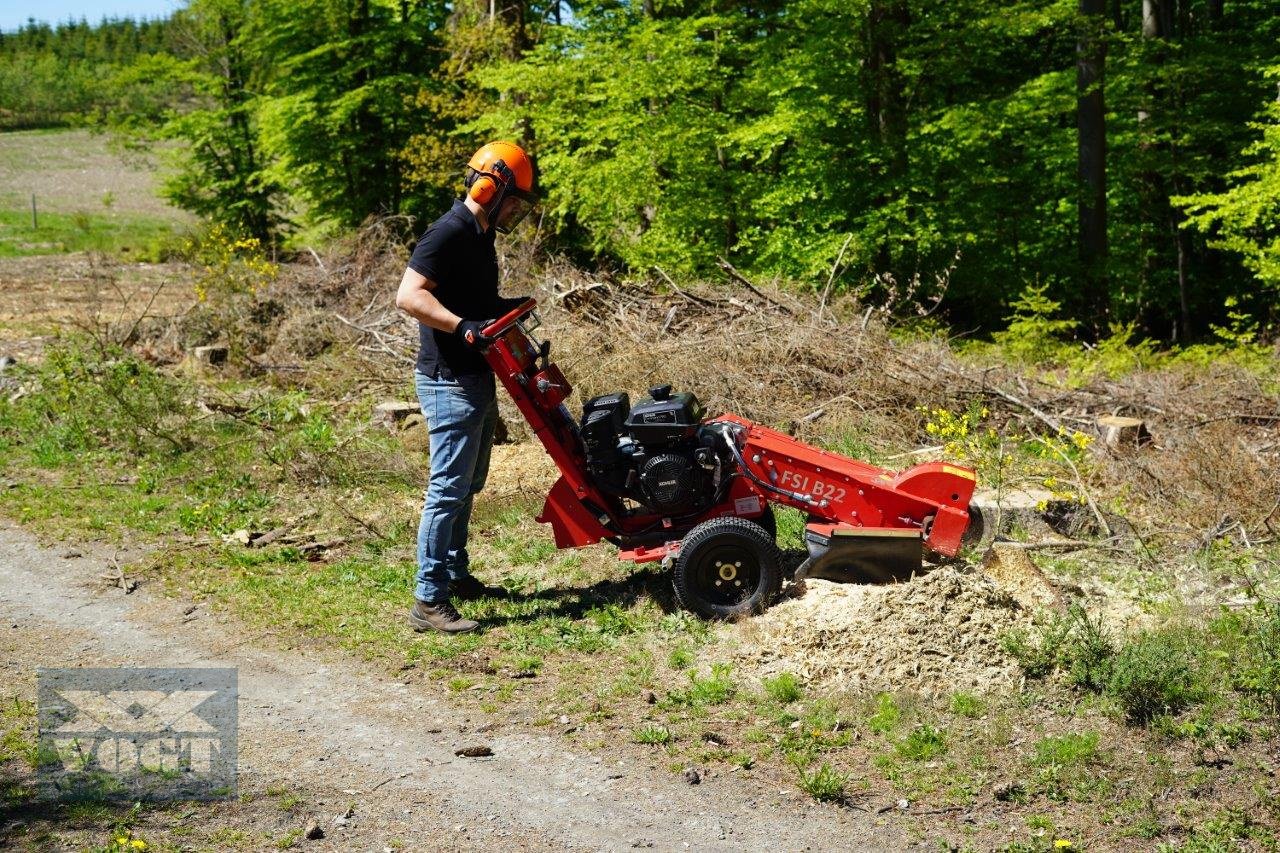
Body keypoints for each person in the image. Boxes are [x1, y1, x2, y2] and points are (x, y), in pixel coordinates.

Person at [393, 141, 538, 634]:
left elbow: (475, 300)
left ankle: (455, 575)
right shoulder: (448, 232)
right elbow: (408, 297)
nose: (517, 211)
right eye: (516, 200)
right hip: (447, 379)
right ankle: (428, 601)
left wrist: (503, 309)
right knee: (447, 490)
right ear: (491, 187)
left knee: (469, 484)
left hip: (474, 375)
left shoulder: (480, 235)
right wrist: (462, 328)